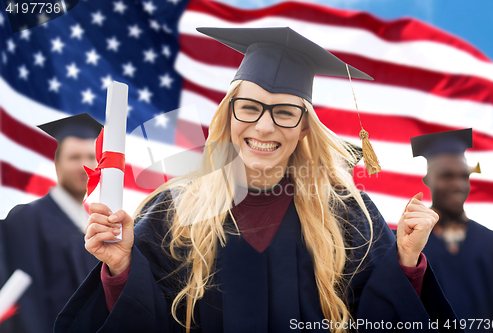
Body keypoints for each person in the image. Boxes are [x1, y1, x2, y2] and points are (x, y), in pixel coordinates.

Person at [55, 27, 461, 332]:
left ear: (304, 128)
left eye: (284, 112)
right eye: (249, 108)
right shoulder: (174, 211)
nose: (264, 127)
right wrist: (122, 268)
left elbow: (380, 317)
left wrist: (406, 262)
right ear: (228, 115)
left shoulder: (349, 215)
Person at [0, 113, 101, 333]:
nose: (84, 166)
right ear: (57, 164)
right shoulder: (28, 217)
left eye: (90, 157)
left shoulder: (94, 223)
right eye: (74, 157)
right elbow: (27, 305)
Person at [412, 128, 493, 332]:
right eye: (447, 176)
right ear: (427, 180)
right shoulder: (410, 246)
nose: (458, 184)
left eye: (463, 176)